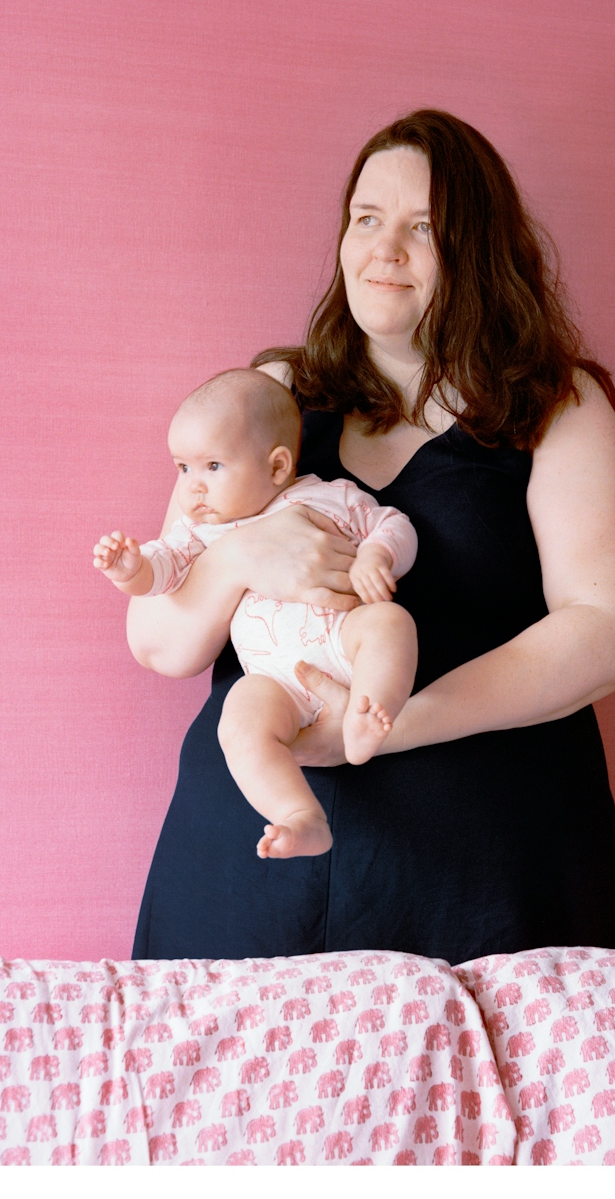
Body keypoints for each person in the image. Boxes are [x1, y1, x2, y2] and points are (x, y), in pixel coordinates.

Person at [129, 109, 615, 966]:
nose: (386, 249)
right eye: (367, 219)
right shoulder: (272, 395)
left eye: (423, 229)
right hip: (254, 871)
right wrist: (234, 557)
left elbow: (614, 631)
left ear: (477, 252)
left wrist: (389, 722)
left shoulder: (556, 407)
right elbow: (157, 640)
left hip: (489, 878)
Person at [93, 368, 419, 860]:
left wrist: (378, 555)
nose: (193, 489)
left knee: (389, 624)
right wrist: (131, 569)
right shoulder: (200, 533)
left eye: (212, 467)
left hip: (343, 638)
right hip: (276, 683)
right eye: (183, 469)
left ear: (277, 465)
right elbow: (162, 574)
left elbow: (391, 523)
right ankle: (300, 816)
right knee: (240, 721)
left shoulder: (327, 496)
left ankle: (368, 713)